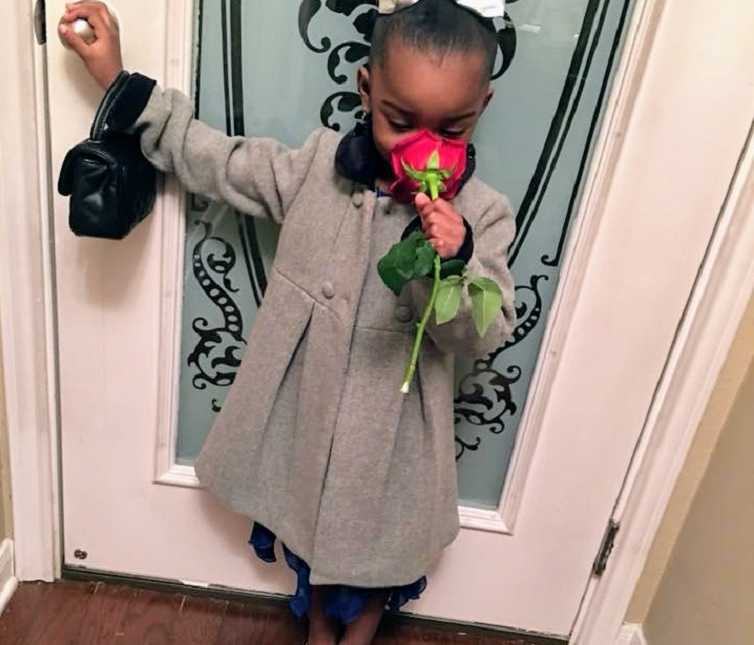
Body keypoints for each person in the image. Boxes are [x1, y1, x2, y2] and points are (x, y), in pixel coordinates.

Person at [59, 0, 517, 643]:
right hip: (310, 410)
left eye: (452, 127)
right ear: (367, 89)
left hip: (394, 439)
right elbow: (218, 159)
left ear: (481, 111)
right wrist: (119, 82)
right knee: (313, 527)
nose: (423, 143)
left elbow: (485, 331)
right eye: (400, 119)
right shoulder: (316, 170)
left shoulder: (484, 214)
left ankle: (357, 631)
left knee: (376, 546)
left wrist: (453, 261)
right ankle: (318, 625)